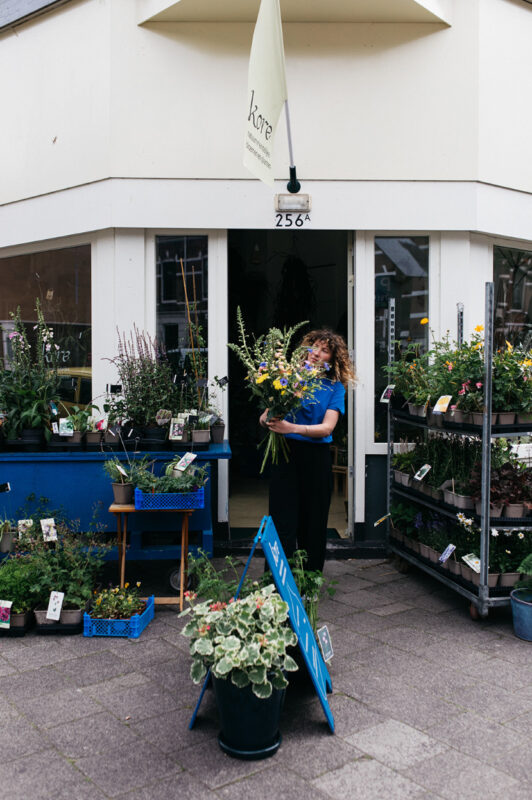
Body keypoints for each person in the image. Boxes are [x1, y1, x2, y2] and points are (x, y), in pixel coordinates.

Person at [259, 328, 355, 572]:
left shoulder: (335, 387)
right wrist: (268, 420)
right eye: (315, 347)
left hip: (315, 459)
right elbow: (265, 416)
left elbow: (327, 428)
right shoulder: (287, 376)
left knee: (313, 520)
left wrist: (291, 427)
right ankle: (278, 579)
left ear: (332, 359)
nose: (317, 353)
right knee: (282, 519)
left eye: (325, 351)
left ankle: (310, 579)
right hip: (285, 454)